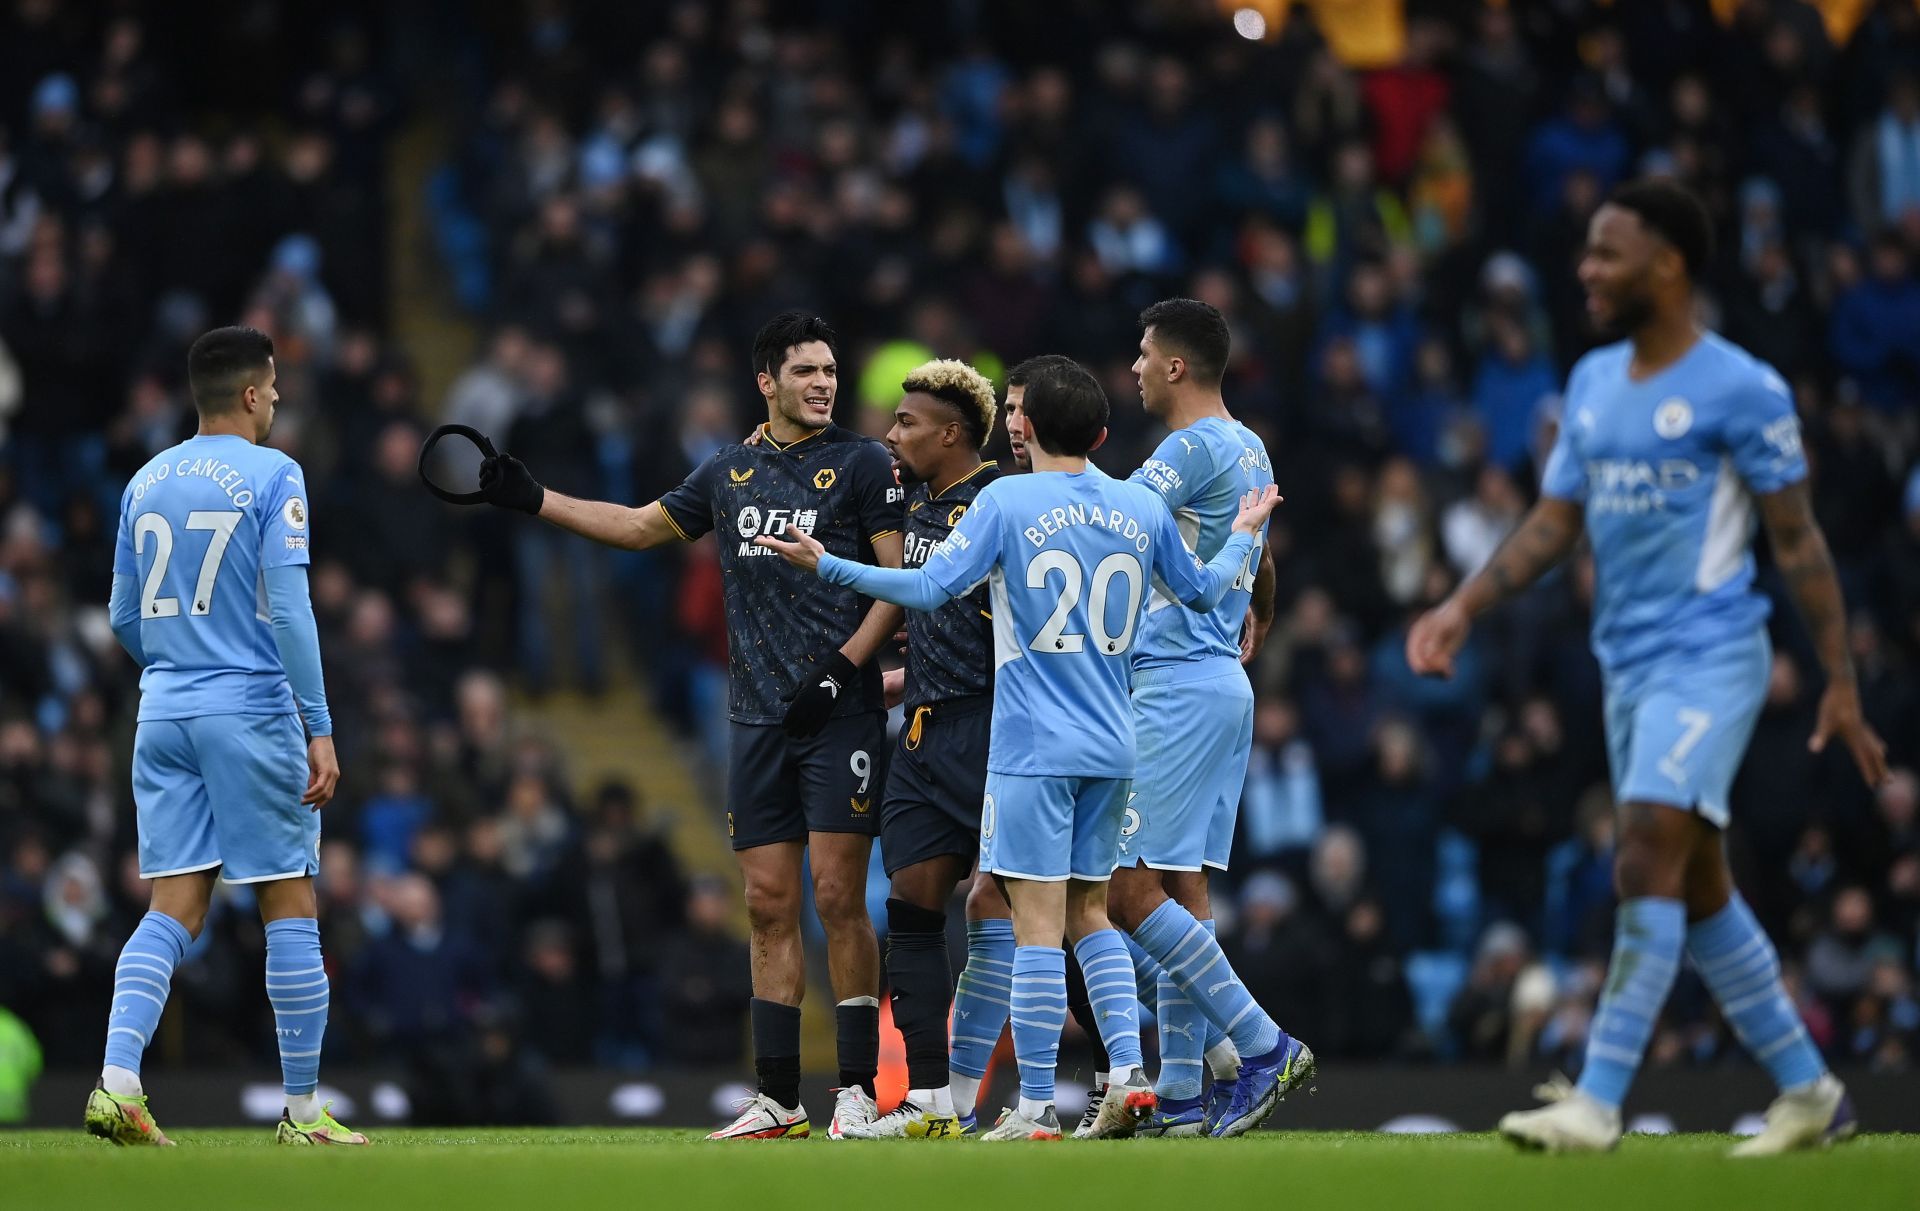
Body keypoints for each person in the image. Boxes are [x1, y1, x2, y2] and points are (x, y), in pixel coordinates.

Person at [1407, 180, 1888, 1156]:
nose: (1586, 270)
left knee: (1643, 847)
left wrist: (1838, 677)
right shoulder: (1590, 382)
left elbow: (1797, 542)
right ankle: (1809, 1090)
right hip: (1626, 665)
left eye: (1607, 253)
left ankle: (1597, 1097)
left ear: (1667, 264)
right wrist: (1463, 603)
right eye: (1586, 252)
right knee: (1694, 882)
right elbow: (1554, 522)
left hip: (1713, 654)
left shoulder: (1743, 387)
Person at [757, 358, 1283, 1142]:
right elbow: (1206, 593)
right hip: (1115, 740)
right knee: (1092, 912)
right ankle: (1132, 1078)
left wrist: (826, 561)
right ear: (1102, 435)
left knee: (1034, 923)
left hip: (1033, 742)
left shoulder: (1004, 499)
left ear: (1025, 426)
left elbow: (931, 591)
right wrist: (1242, 537)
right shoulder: (1137, 506)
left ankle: (1036, 1102)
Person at [469, 312, 903, 1141]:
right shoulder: (728, 470)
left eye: (830, 370)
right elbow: (637, 527)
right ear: (765, 381)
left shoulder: (862, 463)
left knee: (838, 896)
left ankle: (857, 1088)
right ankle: (778, 1097)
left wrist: (843, 669)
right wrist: (535, 499)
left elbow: (897, 584)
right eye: (805, 370)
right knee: (768, 902)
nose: (823, 383)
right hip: (755, 719)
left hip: (838, 709)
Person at [90, 326, 364, 1146]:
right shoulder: (276, 474)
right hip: (248, 709)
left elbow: (122, 616)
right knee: (289, 899)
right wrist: (318, 726)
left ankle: (117, 1082)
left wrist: (178, 664)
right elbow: (289, 609)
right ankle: (304, 1112)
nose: (278, 401)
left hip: (163, 710)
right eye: (273, 389)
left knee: (172, 905)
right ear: (250, 393)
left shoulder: (146, 479)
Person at [1105, 298, 1311, 1140]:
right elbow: (1256, 546)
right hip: (1216, 679)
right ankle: (1185, 1097)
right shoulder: (1248, 443)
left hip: (1174, 684)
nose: (1136, 368)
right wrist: (1257, 605)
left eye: (1144, 354)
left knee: (1124, 889)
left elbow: (1108, 525)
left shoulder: (1184, 448)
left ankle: (1263, 1045)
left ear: (1177, 366)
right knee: (1183, 889)